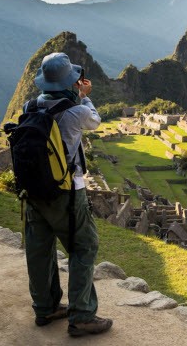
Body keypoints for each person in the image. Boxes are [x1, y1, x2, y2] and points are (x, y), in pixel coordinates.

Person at [24, 52, 113, 337]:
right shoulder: (78, 112)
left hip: (33, 191)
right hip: (66, 193)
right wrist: (85, 95)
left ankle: (46, 307)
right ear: (71, 82)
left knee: (39, 249)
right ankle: (82, 315)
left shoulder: (29, 107)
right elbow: (95, 120)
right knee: (84, 246)